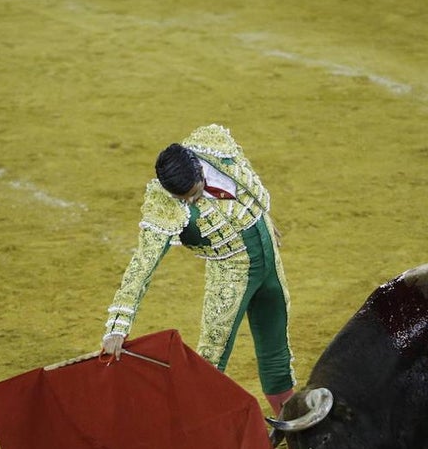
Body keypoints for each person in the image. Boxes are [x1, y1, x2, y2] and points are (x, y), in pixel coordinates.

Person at [101, 124, 296, 415]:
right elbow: (142, 264)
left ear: (199, 171)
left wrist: (261, 215)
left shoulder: (212, 144)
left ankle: (291, 421)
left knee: (276, 345)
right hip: (231, 273)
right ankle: (199, 432)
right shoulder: (163, 206)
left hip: (269, 260)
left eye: (194, 193)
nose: (191, 201)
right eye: (184, 199)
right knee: (210, 361)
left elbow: (245, 174)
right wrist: (117, 326)